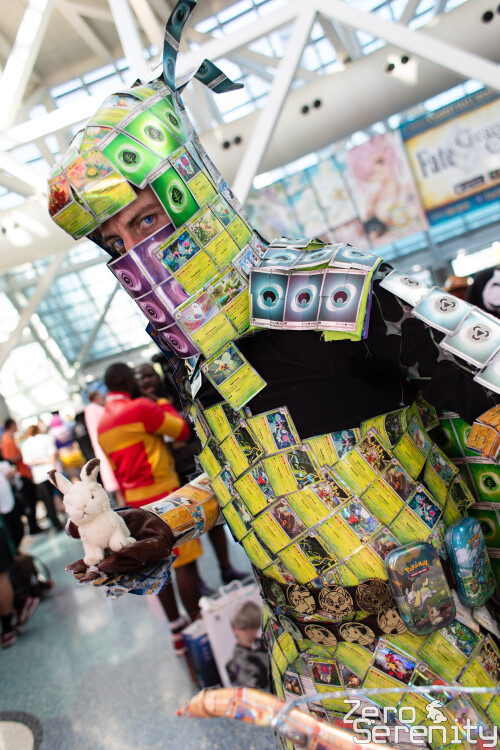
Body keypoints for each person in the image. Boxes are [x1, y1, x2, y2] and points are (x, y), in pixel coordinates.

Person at [47, 9, 500, 741]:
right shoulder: (189, 358)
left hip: (439, 651)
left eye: (145, 220)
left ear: (196, 193)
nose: (133, 254)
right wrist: (166, 520)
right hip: (309, 670)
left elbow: (486, 390)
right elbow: (250, 467)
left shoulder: (342, 295)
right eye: (112, 241)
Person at [97, 362, 208, 652]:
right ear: (127, 382)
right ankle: (199, 626)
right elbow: (181, 431)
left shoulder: (102, 424)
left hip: (134, 505)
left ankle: (176, 630)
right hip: (165, 497)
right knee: (184, 563)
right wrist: (160, 403)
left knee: (155, 567)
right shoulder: (141, 408)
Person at [135, 362, 248, 586]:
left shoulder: (174, 393)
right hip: (171, 474)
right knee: (182, 527)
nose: (147, 381)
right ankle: (197, 582)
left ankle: (225, 567)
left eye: (150, 375)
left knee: (215, 517)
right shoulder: (142, 405)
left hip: (194, 463)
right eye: (141, 377)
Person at [1, 419, 43, 536]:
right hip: (20, 474)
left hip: (23, 473)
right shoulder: (7, 440)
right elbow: (10, 459)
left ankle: (34, 526)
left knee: (31, 500)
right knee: (29, 501)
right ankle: (33, 527)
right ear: (11, 425)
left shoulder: (9, 439)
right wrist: (21, 454)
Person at [84, 390, 125, 508]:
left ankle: (121, 502)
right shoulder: (97, 410)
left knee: (111, 474)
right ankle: (122, 501)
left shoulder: (89, 411)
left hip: (101, 446)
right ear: (96, 397)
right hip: (108, 444)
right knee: (115, 472)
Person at [21, 425, 63, 531]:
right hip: (52, 471)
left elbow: (28, 461)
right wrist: (52, 466)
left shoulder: (25, 445)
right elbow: (53, 454)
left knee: (48, 502)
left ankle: (57, 524)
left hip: (39, 476)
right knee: (64, 495)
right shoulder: (45, 438)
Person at [225, 601, 269, 690]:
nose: (250, 633)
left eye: (253, 627)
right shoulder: (235, 663)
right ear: (235, 629)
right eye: (244, 628)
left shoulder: (264, 644)